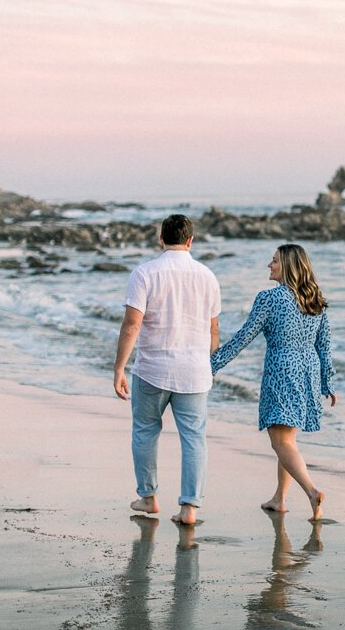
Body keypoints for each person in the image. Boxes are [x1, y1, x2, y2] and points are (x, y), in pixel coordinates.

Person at [212, 243, 336, 521]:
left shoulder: (270, 299)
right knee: (288, 439)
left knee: (280, 442)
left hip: (282, 371)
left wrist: (214, 363)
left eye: (275, 261)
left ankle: (312, 491)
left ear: (289, 266)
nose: (270, 265)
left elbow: (245, 336)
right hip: (308, 373)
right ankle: (279, 498)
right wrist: (327, 382)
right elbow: (325, 345)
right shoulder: (315, 299)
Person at [113, 214, 221, 526]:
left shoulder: (144, 273)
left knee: (145, 431)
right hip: (195, 372)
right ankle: (190, 508)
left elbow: (132, 324)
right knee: (194, 438)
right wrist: (208, 365)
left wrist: (119, 367)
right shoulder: (208, 276)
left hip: (152, 369)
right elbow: (214, 331)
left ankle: (148, 497)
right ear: (190, 241)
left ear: (161, 239)